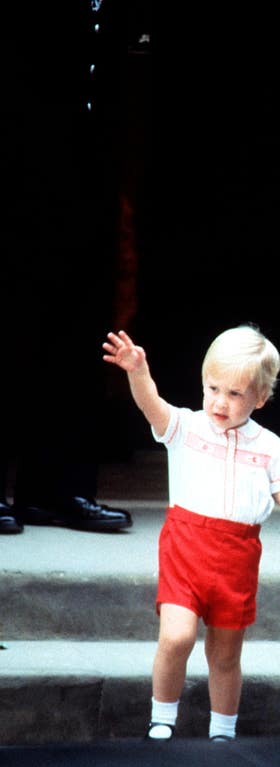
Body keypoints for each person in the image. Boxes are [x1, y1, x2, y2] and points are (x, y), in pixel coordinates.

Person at [103, 325, 280, 741]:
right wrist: (137, 371)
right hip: (186, 547)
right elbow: (152, 405)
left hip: (237, 556)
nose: (220, 402)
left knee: (225, 653)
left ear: (260, 397)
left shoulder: (271, 446)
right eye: (213, 388)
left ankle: (222, 730)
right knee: (177, 635)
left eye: (235, 394)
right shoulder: (186, 427)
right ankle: (161, 719)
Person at [0, 1, 136, 536]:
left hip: (81, 165)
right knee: (7, 326)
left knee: (77, 327)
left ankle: (56, 488)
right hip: (12, 161)